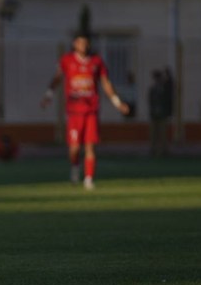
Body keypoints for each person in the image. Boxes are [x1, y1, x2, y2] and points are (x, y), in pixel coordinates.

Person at [40, 32, 130, 190]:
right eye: (80, 43)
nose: (83, 46)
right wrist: (48, 95)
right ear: (75, 44)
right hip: (74, 112)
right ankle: (75, 168)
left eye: (86, 43)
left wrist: (118, 103)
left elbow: (106, 83)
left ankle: (88, 179)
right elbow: (57, 78)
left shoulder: (96, 62)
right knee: (74, 149)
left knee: (90, 146)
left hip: (91, 111)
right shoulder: (67, 60)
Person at [148, 67, 174, 157]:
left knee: (163, 133)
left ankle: (164, 150)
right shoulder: (152, 89)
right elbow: (150, 101)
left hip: (162, 114)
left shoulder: (165, 88)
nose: (157, 80)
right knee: (153, 134)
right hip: (154, 114)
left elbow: (167, 99)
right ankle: (154, 150)